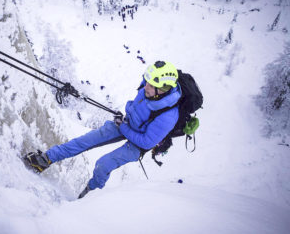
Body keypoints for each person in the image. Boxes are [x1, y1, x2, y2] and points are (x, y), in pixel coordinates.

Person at [23, 61, 182, 198]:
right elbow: (138, 104)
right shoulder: (150, 88)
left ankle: (89, 199)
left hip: (138, 144)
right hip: (127, 124)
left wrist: (124, 126)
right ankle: (45, 159)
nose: (145, 86)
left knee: (103, 164)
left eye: (151, 85)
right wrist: (125, 120)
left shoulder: (168, 116)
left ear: (163, 89)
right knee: (85, 140)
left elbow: (146, 142)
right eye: (146, 81)